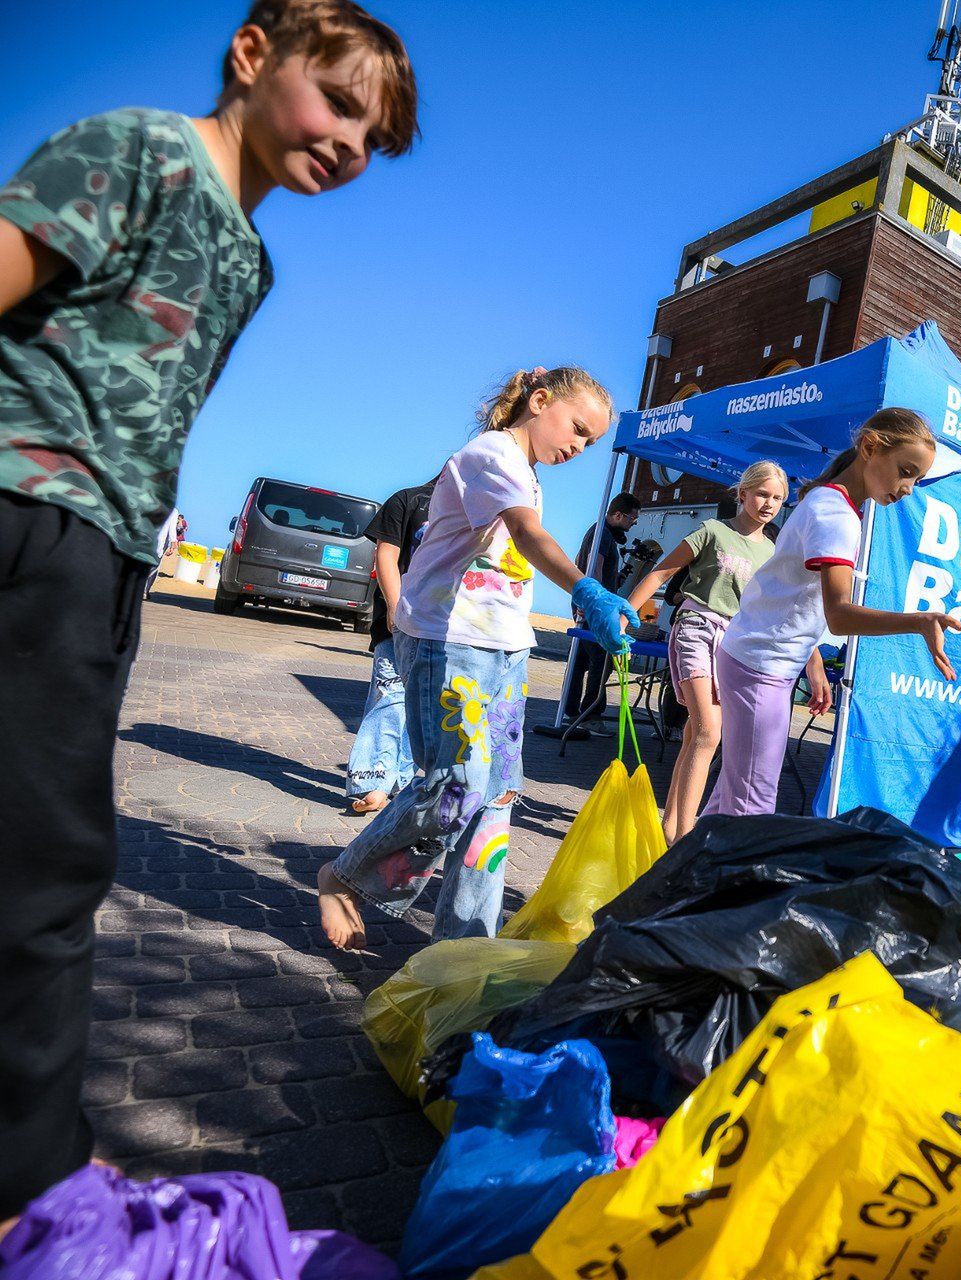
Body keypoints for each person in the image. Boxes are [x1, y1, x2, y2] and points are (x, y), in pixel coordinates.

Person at [0, 0, 418, 1215]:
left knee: (40, 854)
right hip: (30, 507)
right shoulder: (142, 150)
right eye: (338, 103)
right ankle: (30, 1180)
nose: (348, 144)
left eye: (372, 139)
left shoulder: (252, 258)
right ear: (252, 54)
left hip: (110, 553)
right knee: (45, 868)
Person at [315, 366, 640, 951]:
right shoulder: (492, 455)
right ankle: (346, 876)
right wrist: (586, 589)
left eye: (591, 442)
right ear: (539, 400)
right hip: (449, 643)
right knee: (457, 787)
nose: (579, 447)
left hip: (506, 650)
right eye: (577, 428)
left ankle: (464, 947)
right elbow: (528, 535)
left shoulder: (528, 473)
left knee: (496, 799)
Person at [705, 410, 961, 818]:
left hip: (756, 659)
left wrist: (812, 665)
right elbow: (838, 616)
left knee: (733, 797)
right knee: (750, 807)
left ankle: (689, 859)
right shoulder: (836, 515)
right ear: (870, 447)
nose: (908, 488)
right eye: (906, 471)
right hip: (760, 666)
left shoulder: (828, 501)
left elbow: (793, 600)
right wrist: (918, 621)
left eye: (917, 478)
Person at [627, 461, 827, 841]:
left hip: (737, 643)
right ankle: (684, 840)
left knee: (696, 733)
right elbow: (662, 572)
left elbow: (792, 610)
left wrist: (814, 664)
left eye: (777, 498)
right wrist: (624, 616)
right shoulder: (712, 531)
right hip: (697, 628)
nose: (769, 504)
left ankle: (670, 827)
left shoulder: (774, 553)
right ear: (743, 493)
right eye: (762, 494)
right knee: (708, 732)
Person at [345, 475, 435, 812]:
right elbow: (386, 554)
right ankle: (373, 781)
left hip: (444, 627)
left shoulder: (477, 511)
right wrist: (396, 608)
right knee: (390, 695)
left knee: (419, 706)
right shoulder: (408, 500)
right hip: (398, 621)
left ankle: (399, 780)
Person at [561, 490, 640, 729]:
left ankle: (571, 710)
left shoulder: (595, 532)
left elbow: (579, 561)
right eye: (632, 519)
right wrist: (593, 602)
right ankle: (591, 715)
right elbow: (594, 567)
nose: (633, 524)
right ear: (618, 515)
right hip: (595, 607)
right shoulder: (603, 535)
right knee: (602, 659)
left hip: (588, 603)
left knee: (580, 659)